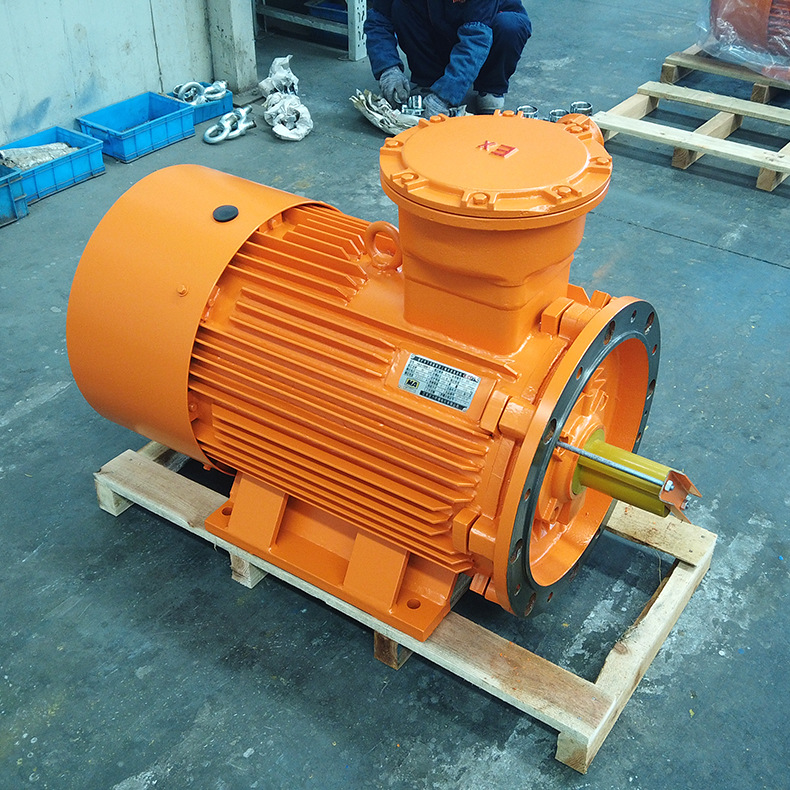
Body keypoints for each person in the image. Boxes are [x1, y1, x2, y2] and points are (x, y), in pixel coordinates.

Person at [364, 0, 531, 116]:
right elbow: (379, 18)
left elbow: (476, 39)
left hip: (487, 33)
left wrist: (446, 95)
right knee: (400, 7)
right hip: (439, 26)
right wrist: (388, 68)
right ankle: (429, 79)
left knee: (510, 25)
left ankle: (491, 87)